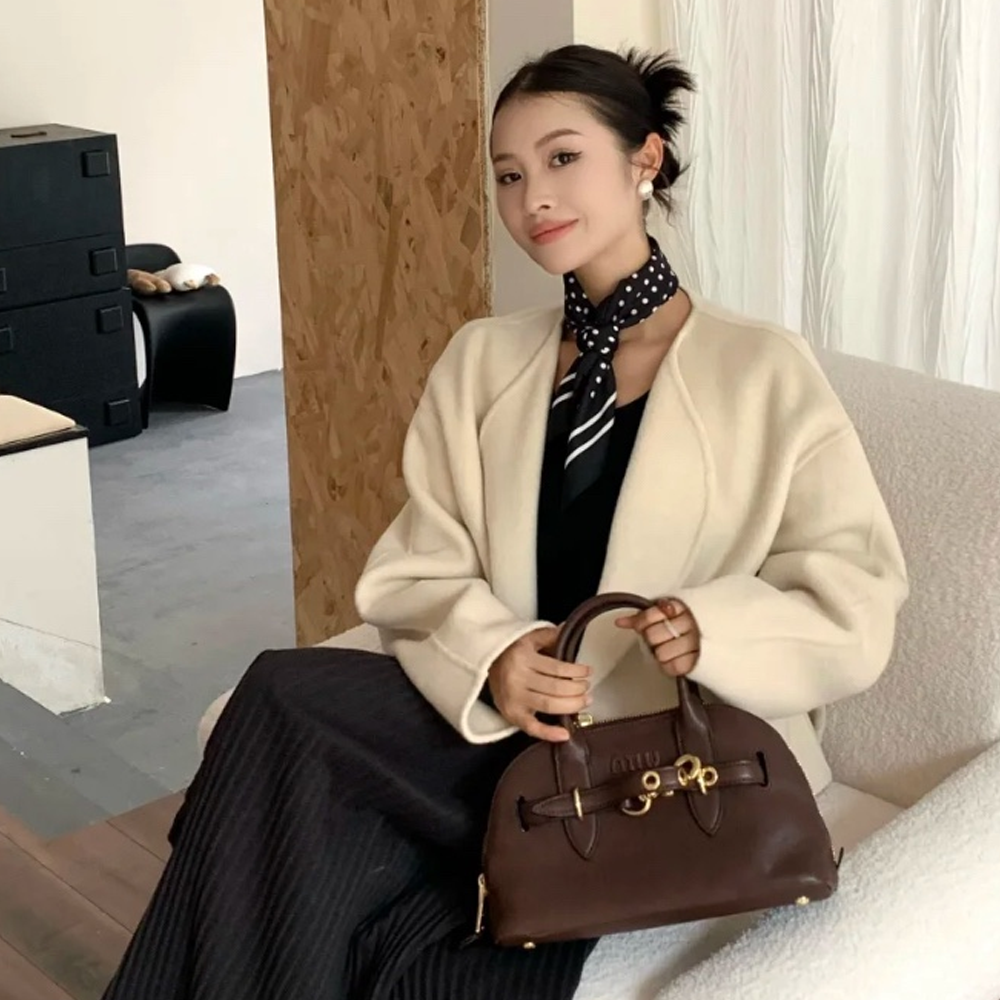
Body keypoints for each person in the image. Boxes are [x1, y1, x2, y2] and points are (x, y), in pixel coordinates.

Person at [101, 44, 908, 1000]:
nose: (533, 198)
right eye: (509, 174)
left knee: (392, 930)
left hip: (654, 765)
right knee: (280, 695)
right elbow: (418, 565)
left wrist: (717, 628)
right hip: (493, 730)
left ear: (644, 160)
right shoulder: (482, 360)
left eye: (563, 158)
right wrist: (493, 656)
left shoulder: (762, 370)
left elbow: (856, 591)